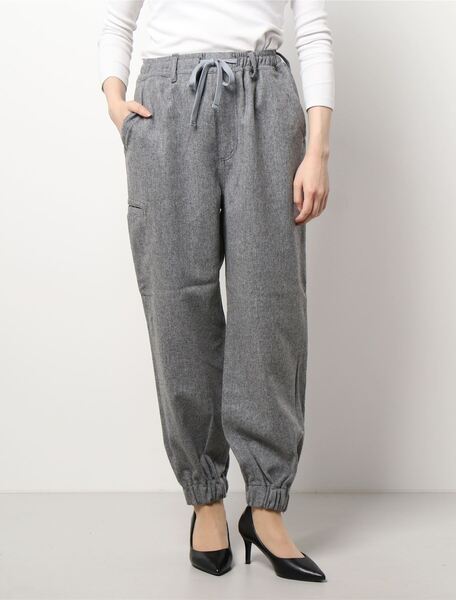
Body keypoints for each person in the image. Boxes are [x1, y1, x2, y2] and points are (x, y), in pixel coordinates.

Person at [99, 0, 333, 582]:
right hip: (166, 109)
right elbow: (118, 20)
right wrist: (115, 101)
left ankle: (266, 508)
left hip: (264, 103)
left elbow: (313, 30)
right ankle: (205, 499)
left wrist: (317, 150)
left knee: (270, 306)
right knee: (177, 304)